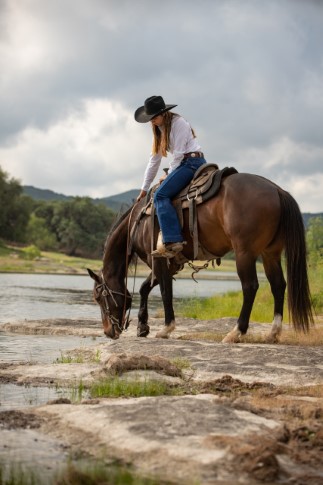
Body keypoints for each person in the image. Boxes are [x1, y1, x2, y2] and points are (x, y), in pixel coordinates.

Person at [134, 95, 206, 258]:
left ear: (163, 113)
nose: (152, 121)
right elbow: (154, 161)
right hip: (184, 163)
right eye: (150, 119)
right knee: (157, 192)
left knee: (160, 195)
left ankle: (173, 240)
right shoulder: (160, 130)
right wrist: (144, 188)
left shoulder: (178, 123)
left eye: (154, 118)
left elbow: (179, 155)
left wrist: (167, 176)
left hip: (192, 163)